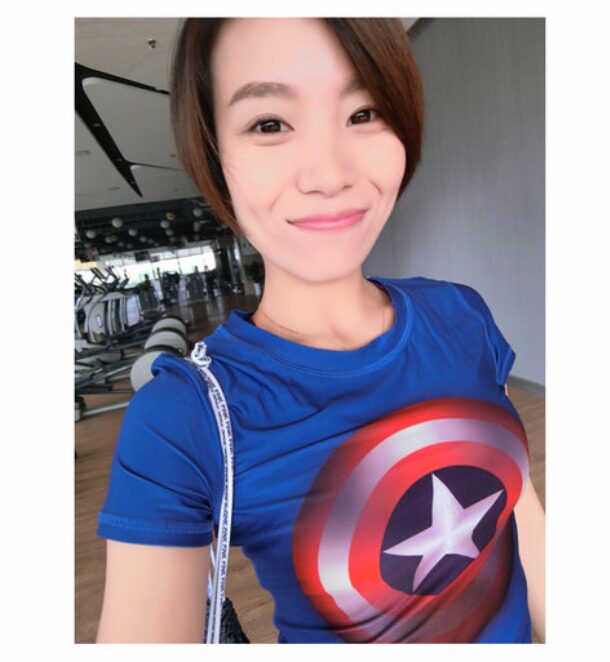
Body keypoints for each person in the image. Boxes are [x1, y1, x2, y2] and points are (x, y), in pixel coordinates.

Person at [95, 17, 545, 643]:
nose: (329, 175)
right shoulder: (183, 418)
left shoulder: (460, 316)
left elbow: (522, 523)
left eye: (364, 113)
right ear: (214, 154)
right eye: (269, 124)